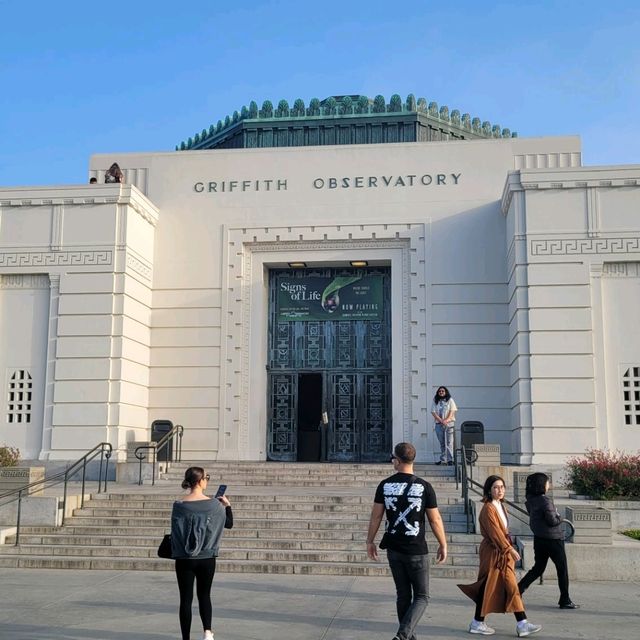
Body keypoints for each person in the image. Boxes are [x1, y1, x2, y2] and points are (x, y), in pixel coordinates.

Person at [366, 442, 448, 640]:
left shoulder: (385, 485)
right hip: (416, 549)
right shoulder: (424, 486)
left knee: (403, 595)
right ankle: (403, 636)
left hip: (394, 548)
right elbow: (435, 519)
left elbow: (376, 516)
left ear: (397, 460)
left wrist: (370, 541)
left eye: (393, 458)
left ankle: (406, 636)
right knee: (422, 596)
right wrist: (443, 543)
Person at [458, 475, 542, 637]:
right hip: (493, 552)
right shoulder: (488, 508)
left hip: (502, 552)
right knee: (488, 586)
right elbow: (495, 533)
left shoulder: (501, 506)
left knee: (507, 586)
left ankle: (520, 622)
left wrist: (507, 548)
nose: (500, 490)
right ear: (489, 490)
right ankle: (480, 622)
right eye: (496, 487)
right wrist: (509, 549)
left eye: (502, 487)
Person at [171, 466, 233, 640]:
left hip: (185, 558)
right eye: (207, 477)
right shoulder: (214, 504)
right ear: (200, 481)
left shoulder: (179, 505)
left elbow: (176, 532)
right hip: (207, 556)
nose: (208, 480)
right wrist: (227, 506)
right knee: (205, 595)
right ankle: (207, 632)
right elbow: (228, 524)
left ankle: (186, 637)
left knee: (185, 599)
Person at [517, 472, 579, 609]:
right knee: (562, 570)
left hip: (539, 539)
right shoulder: (545, 501)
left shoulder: (531, 499)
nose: (548, 484)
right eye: (547, 482)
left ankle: (517, 590)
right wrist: (559, 517)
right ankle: (565, 600)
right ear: (542, 485)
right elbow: (552, 521)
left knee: (538, 568)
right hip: (554, 540)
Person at [430, 386, 457, 465]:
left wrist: (446, 420)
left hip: (449, 424)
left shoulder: (450, 400)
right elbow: (433, 412)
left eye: (443, 391)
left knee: (449, 442)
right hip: (439, 424)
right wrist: (441, 421)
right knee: (442, 442)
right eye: (440, 391)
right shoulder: (435, 401)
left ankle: (450, 460)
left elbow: (452, 411)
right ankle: (443, 459)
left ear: (446, 392)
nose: (441, 392)